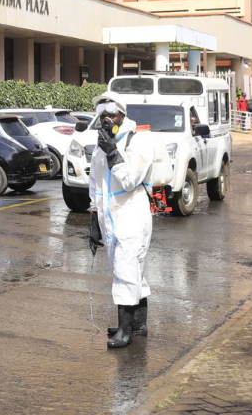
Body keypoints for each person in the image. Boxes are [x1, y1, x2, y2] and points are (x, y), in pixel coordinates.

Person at [87, 93, 158, 349]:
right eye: (102, 113)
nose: (106, 118)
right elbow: (95, 184)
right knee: (124, 270)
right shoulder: (101, 144)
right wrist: (94, 222)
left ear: (122, 115)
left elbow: (129, 181)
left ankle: (125, 332)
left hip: (132, 216)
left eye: (111, 113)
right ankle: (137, 324)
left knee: (126, 271)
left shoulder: (138, 141)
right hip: (110, 220)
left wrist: (113, 153)